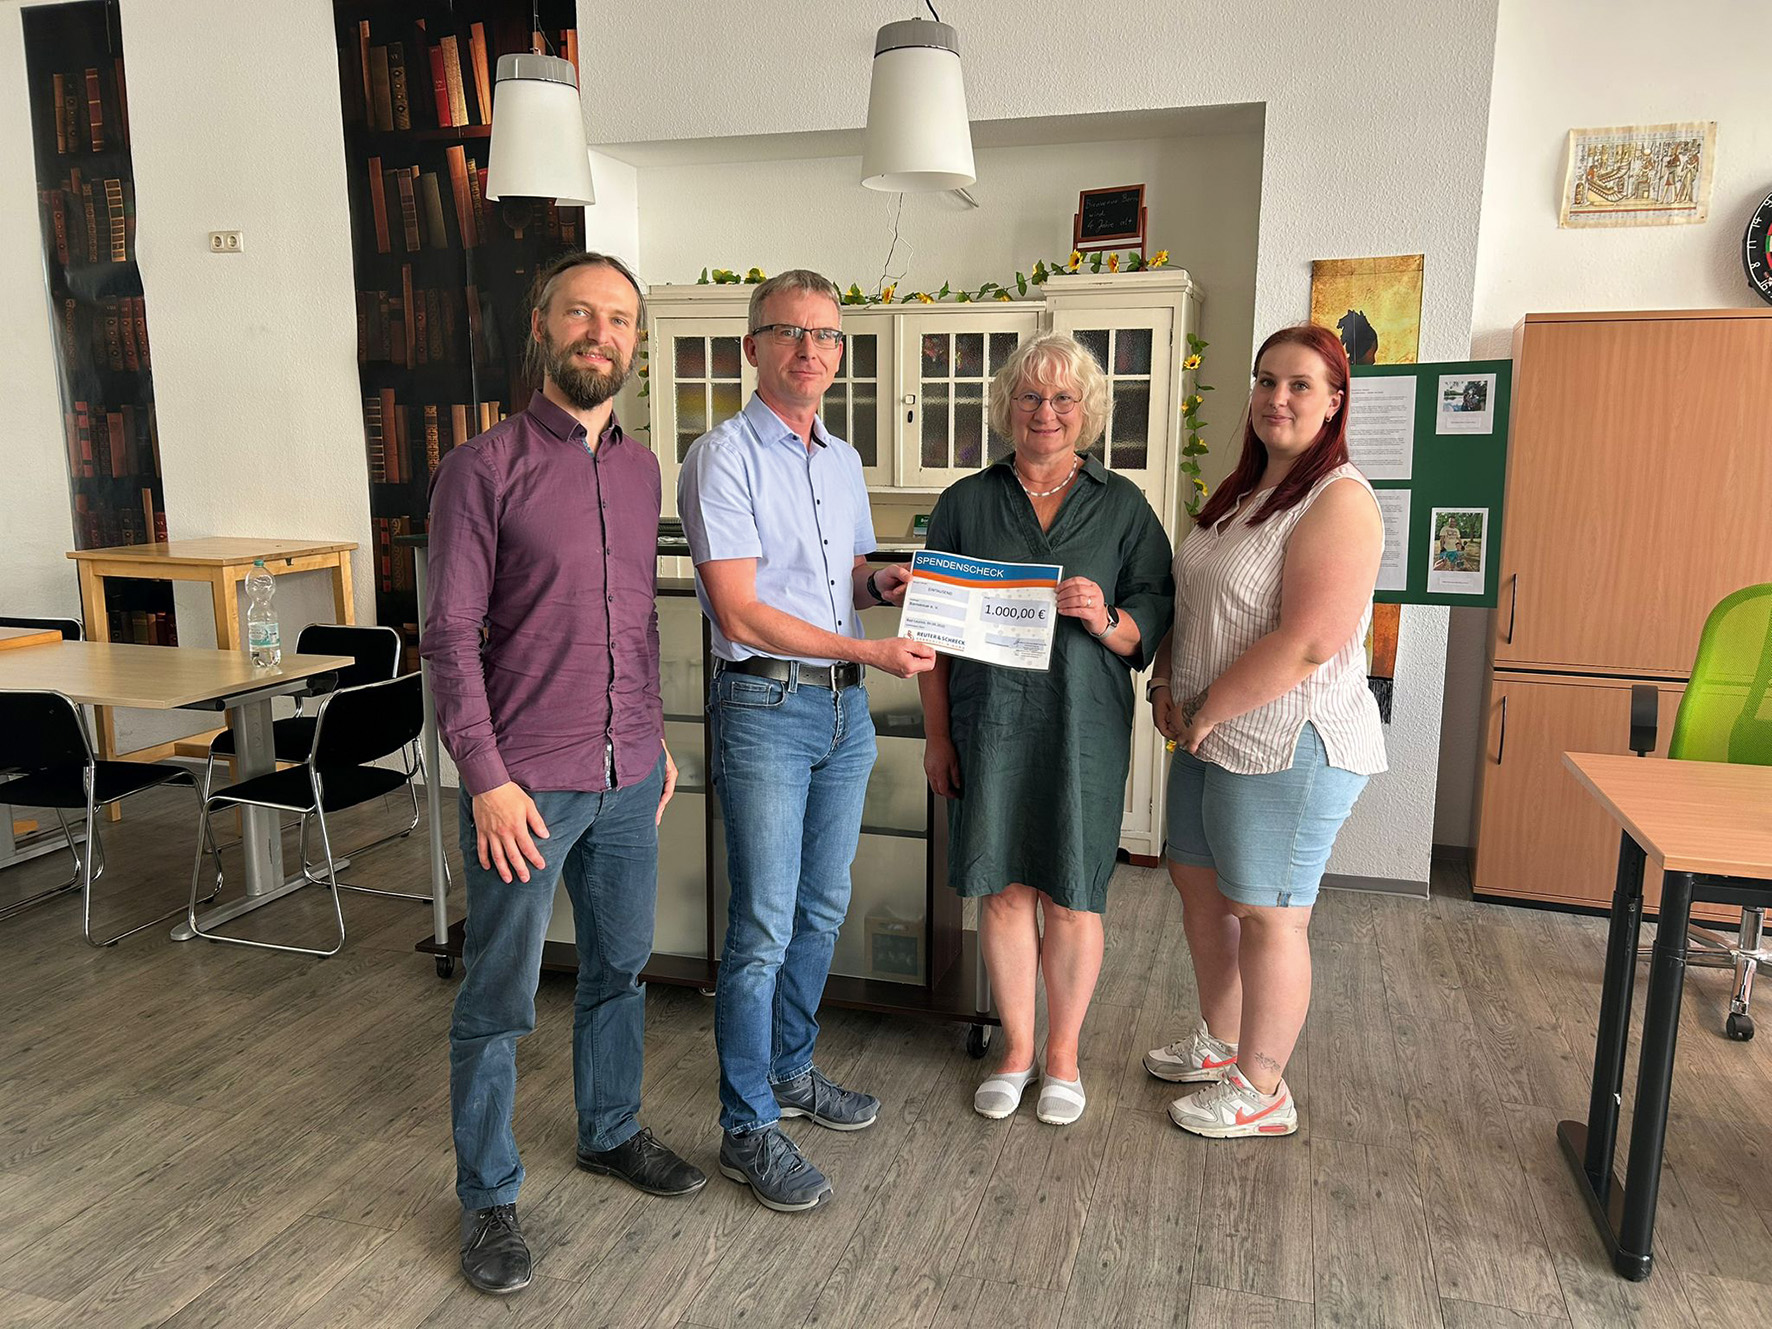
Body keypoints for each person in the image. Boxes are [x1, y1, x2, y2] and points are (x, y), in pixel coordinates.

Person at [424, 252, 703, 1297]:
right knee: (499, 997)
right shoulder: (481, 468)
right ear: (541, 326)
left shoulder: (642, 471)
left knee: (621, 969)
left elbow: (638, 623)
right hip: (523, 786)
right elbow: (449, 637)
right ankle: (488, 1195)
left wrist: (654, 736)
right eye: (580, 313)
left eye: (619, 319)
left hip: (627, 774)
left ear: (636, 343)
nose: (600, 332)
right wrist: (484, 778)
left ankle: (610, 1130)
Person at [676, 269, 935, 1213]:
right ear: (754, 347)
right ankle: (746, 1127)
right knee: (762, 928)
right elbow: (742, 612)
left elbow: (847, 576)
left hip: (842, 714)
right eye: (790, 331)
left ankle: (789, 1070)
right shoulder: (722, 457)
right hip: (765, 707)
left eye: (826, 334)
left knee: (822, 908)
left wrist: (885, 586)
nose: (811, 349)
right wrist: (868, 645)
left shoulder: (841, 458)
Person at [920, 332, 1173, 1127]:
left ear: (1086, 410)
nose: (1046, 412)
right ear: (1007, 405)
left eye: (1064, 398)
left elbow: (1155, 610)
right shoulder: (966, 502)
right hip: (988, 723)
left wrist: (1107, 616)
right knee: (1002, 890)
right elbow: (930, 631)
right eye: (1030, 396)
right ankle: (1017, 1049)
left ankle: (1063, 1055)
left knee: (1072, 892)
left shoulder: (1122, 504)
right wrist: (937, 735)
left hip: (1082, 725)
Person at [1144, 324, 1386, 1139]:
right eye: (1266, 381)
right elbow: (1191, 599)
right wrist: (1168, 680)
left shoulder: (1339, 500)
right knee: (1200, 887)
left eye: (1299, 385)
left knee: (1269, 913)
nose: (1277, 398)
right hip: (1210, 733)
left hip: (1288, 741)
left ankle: (1263, 1088)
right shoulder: (1242, 491)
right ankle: (1223, 1044)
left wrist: (1210, 707)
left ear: (1335, 402)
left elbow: (1309, 640)